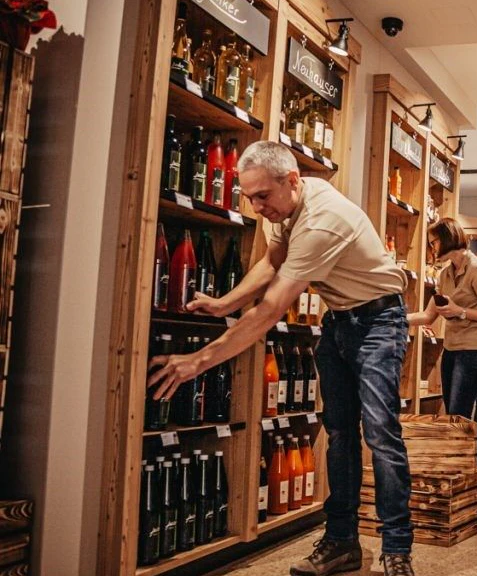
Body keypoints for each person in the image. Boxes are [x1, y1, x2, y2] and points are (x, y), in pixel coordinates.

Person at [147, 141, 417, 576]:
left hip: (380, 322)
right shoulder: (287, 204)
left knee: (382, 436)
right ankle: (342, 542)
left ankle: (397, 547)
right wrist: (223, 303)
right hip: (339, 323)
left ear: (290, 181)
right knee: (340, 434)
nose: (256, 207)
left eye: (262, 197)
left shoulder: (322, 221)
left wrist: (199, 361)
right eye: (248, 197)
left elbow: (272, 308)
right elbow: (273, 262)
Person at [408, 218, 477, 471]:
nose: (431, 248)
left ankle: (460, 471)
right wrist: (394, 318)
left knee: (460, 415)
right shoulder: (444, 274)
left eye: (434, 242)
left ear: (448, 238)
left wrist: (461, 312)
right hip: (451, 350)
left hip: (474, 351)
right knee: (453, 413)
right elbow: (429, 316)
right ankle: (459, 471)